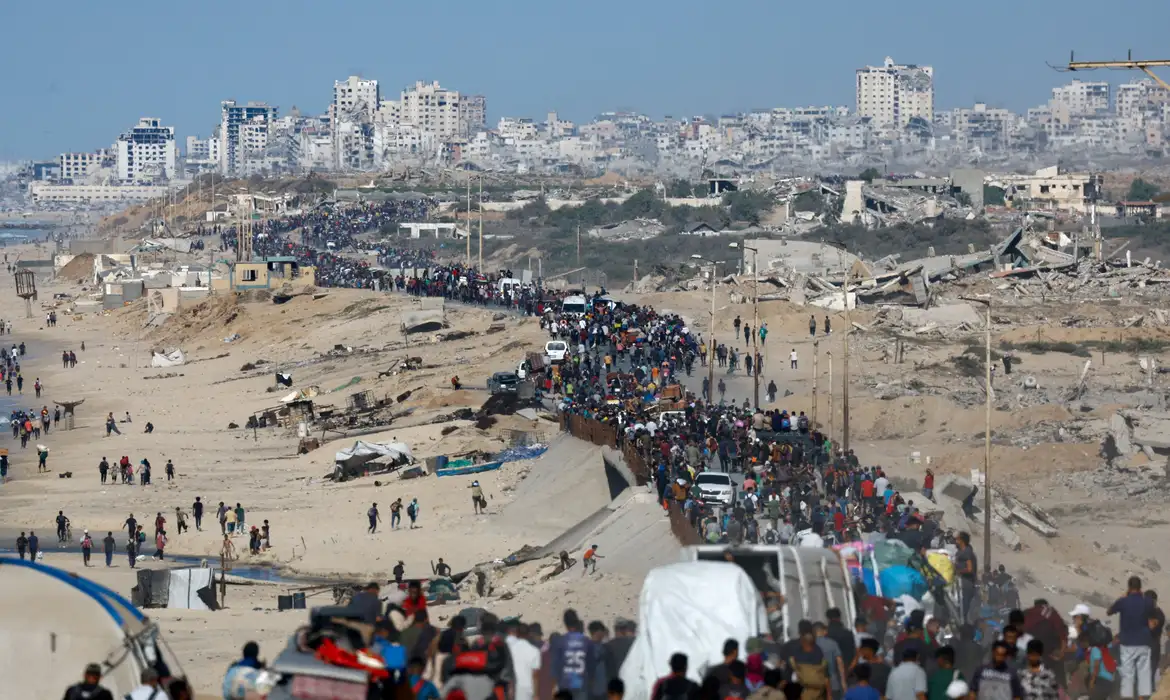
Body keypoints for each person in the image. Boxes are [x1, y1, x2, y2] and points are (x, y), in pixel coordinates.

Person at [1107, 575, 1156, 700]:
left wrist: (1123, 597)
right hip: (1144, 642)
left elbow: (1109, 611)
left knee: (1128, 675)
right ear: (1140, 588)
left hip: (1127, 643)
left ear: (1129, 587)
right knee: (1143, 673)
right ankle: (1142, 698)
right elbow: (1153, 617)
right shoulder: (1147, 601)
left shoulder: (1123, 601)